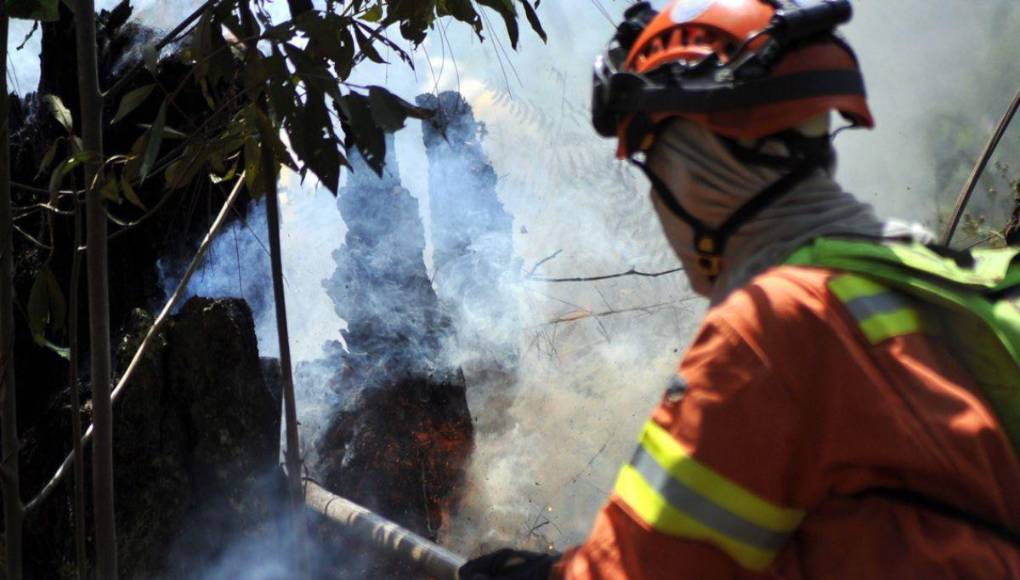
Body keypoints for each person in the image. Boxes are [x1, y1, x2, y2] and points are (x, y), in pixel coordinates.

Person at [460, 1, 1020, 578]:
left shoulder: (774, 328)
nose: (657, 202)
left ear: (694, 169)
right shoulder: (941, 283)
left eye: (656, 168)